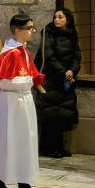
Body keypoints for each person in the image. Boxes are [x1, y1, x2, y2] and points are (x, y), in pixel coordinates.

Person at [0, 15, 47, 188]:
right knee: (20, 141)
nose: (32, 31)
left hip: (18, 101)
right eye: (29, 28)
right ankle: (24, 186)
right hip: (13, 101)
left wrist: (34, 78)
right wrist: (30, 81)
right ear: (17, 30)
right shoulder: (10, 53)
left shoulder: (22, 51)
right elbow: (3, 82)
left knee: (8, 140)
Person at [34, 9, 82, 158]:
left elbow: (77, 56)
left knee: (62, 115)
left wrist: (72, 71)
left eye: (60, 17)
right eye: (55, 17)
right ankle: (49, 148)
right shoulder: (48, 33)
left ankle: (59, 147)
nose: (57, 20)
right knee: (51, 115)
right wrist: (64, 72)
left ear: (67, 19)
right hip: (51, 79)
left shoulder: (72, 34)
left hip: (65, 80)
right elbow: (49, 56)